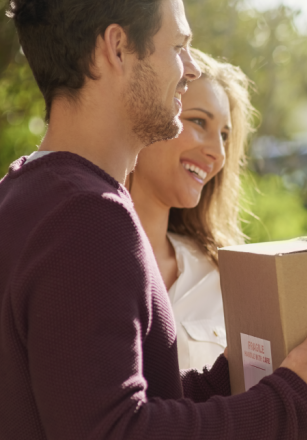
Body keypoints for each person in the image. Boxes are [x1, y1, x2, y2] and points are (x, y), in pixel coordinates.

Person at [0, 0, 307, 438]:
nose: (190, 68)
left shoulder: (3, 203)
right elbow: (116, 430)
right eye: (178, 47)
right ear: (117, 48)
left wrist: (231, 378)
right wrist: (293, 407)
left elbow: (97, 404)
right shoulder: (89, 216)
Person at [128, 48, 249, 370]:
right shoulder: (79, 256)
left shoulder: (224, 277)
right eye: (198, 121)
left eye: (225, 136)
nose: (218, 153)